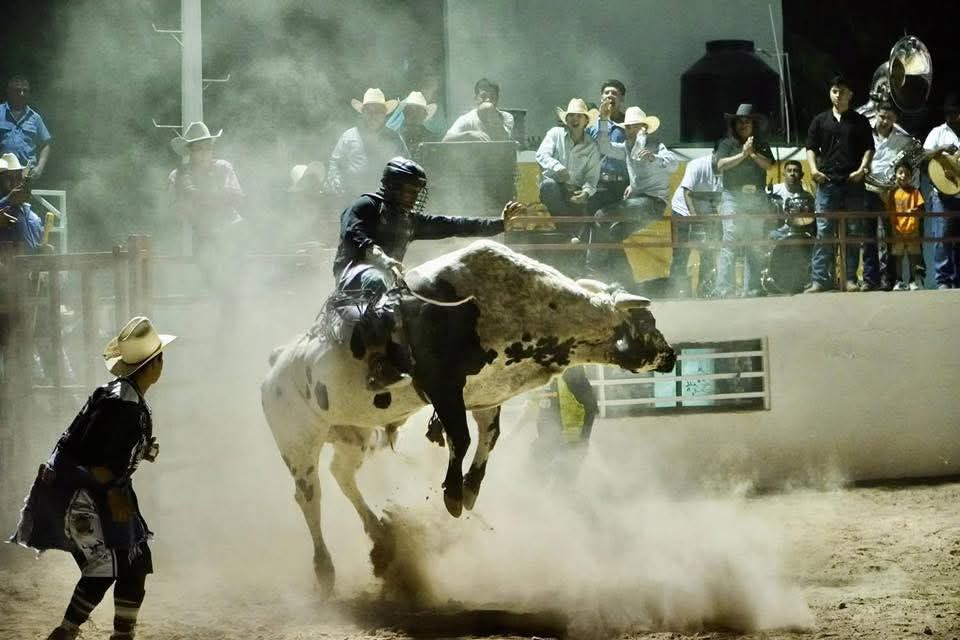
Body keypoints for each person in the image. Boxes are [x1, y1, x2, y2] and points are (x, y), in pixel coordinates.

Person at [9, 316, 175, 640]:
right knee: (107, 564)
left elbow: (108, 449)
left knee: (134, 559)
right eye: (160, 359)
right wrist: (114, 492)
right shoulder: (122, 403)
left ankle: (114, 634)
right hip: (80, 490)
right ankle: (67, 633)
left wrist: (140, 452)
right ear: (151, 365)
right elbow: (96, 457)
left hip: (87, 488)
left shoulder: (124, 397)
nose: (162, 365)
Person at [332, 157, 524, 389]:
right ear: (392, 187)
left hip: (389, 276)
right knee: (376, 279)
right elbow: (355, 234)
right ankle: (377, 363)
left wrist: (498, 225)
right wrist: (383, 259)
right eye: (409, 191)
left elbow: (453, 225)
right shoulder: (366, 205)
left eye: (417, 191)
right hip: (354, 272)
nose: (414, 197)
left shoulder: (409, 220)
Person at [589, 104, 677, 288]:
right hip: (644, 204)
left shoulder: (656, 146)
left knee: (602, 216)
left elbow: (673, 165)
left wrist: (655, 158)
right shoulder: (628, 147)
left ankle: (594, 269)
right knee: (614, 234)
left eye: (632, 126)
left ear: (643, 128)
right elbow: (604, 147)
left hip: (653, 203)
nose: (629, 131)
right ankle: (626, 282)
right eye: (627, 127)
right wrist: (603, 120)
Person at [804, 74, 875, 293]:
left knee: (853, 232)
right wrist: (814, 170)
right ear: (830, 93)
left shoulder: (860, 121)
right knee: (824, 231)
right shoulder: (820, 120)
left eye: (843, 91)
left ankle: (850, 279)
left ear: (850, 95)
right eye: (835, 91)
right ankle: (819, 280)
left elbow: (869, 148)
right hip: (827, 182)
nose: (838, 95)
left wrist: (862, 169)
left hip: (853, 182)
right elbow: (810, 148)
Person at [169, 122, 244, 324]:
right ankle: (223, 323)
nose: (204, 152)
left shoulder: (222, 168)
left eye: (207, 147)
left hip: (230, 232)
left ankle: (230, 322)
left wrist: (204, 199)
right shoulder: (179, 176)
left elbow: (237, 197)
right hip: (204, 237)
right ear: (190, 151)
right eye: (198, 148)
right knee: (214, 282)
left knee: (231, 284)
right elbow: (177, 212)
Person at [713, 104, 775, 298]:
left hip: (757, 196)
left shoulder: (761, 143)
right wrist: (742, 154)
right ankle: (724, 289)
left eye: (746, 121)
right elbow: (720, 165)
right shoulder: (727, 143)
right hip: (733, 197)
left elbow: (769, 165)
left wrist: (753, 153)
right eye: (739, 121)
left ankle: (752, 288)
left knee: (754, 242)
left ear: (753, 124)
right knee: (730, 241)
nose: (742, 124)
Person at [535, 98, 601, 256]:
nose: (575, 119)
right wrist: (557, 167)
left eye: (579, 116)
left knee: (588, 208)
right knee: (548, 186)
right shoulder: (555, 134)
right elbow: (541, 154)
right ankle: (569, 234)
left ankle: (579, 258)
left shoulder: (591, 146)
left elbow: (592, 178)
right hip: (554, 188)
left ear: (586, 121)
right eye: (571, 115)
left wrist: (585, 192)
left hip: (575, 192)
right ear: (566, 120)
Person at [863, 102, 919, 290]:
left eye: (889, 118)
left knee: (890, 238)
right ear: (876, 114)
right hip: (867, 190)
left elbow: (910, 166)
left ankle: (890, 280)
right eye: (881, 116)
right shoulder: (863, 133)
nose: (884, 121)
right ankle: (870, 279)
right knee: (868, 236)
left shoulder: (903, 140)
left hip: (889, 194)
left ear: (895, 119)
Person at [326, 88, 408, 201]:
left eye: (378, 111)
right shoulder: (349, 136)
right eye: (369, 111)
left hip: (386, 199)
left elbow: (406, 165)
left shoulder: (394, 138)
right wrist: (336, 181)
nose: (373, 115)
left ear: (384, 114)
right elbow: (335, 163)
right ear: (363, 112)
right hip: (352, 197)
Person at [667, 151, 722, 296]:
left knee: (708, 253)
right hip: (683, 211)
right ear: (714, 154)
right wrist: (694, 217)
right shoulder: (697, 165)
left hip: (707, 215)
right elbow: (687, 193)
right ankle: (677, 292)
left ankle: (705, 291)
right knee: (681, 253)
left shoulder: (730, 169)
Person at [922, 92, 960, 290]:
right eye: (948, 113)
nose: (950, 117)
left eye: (955, 113)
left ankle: (958, 280)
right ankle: (943, 280)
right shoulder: (938, 132)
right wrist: (942, 149)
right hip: (943, 194)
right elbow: (925, 154)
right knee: (942, 238)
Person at [586, 80, 630, 215]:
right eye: (606, 92)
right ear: (601, 97)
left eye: (615, 93)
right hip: (597, 184)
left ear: (621, 98)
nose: (610, 95)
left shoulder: (630, 124)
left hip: (623, 185)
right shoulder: (591, 125)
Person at [0, 74, 52, 179]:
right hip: (3, 173)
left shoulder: (35, 118)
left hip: (26, 174)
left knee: (22, 196)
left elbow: (46, 144)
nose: (22, 94)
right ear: (9, 92)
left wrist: (40, 167)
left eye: (25, 91)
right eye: (18, 91)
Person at [887, 160, 925, 290]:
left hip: (913, 230)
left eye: (907, 173)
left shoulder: (915, 192)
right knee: (898, 257)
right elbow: (889, 211)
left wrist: (915, 212)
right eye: (900, 172)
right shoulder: (892, 193)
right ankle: (899, 280)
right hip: (897, 229)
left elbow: (920, 209)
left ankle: (913, 280)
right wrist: (893, 228)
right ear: (896, 174)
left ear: (911, 176)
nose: (903, 176)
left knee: (913, 256)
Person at [442, 78, 515, 142]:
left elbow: (504, 141)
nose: (488, 100)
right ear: (476, 99)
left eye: (492, 96)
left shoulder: (506, 117)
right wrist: (469, 134)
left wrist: (492, 115)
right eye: (483, 96)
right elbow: (445, 140)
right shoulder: (466, 119)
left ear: (497, 99)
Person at [0, 152, 43, 250]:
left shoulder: (32, 217)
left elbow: (31, 251)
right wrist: (8, 200)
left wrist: (41, 251)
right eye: (9, 178)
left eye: (18, 177)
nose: (15, 182)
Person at [768, 159, 815, 241]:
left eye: (796, 171)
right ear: (784, 174)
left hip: (801, 233)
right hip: (778, 232)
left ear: (802, 175)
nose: (792, 174)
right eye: (789, 171)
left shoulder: (808, 196)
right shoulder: (773, 190)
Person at [389, 91, 439, 160]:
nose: (413, 114)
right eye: (410, 110)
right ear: (404, 113)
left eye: (417, 111)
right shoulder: (393, 137)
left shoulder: (432, 140)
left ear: (424, 115)